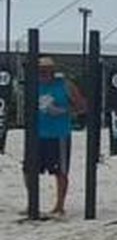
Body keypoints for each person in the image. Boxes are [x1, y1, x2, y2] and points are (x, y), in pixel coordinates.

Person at [26, 57, 85, 218]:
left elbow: (82, 106)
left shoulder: (65, 85)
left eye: (46, 70)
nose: (43, 74)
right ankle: (32, 202)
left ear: (53, 71)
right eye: (40, 71)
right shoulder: (33, 86)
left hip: (59, 134)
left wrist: (65, 111)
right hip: (36, 134)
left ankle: (59, 205)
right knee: (29, 170)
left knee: (60, 171)